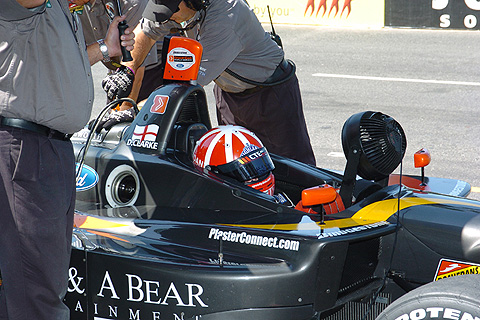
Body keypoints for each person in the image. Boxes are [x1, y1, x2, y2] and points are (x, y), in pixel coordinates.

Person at [0, 1, 134, 319]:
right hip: (25, 148)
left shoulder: (60, 8)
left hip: (49, 149)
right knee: (36, 289)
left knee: (38, 282)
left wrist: (105, 48)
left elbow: (54, 61)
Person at [102, 0, 317, 165]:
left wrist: (136, 111)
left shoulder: (225, 17)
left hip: (270, 96)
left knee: (291, 168)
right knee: (233, 166)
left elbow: (183, 86)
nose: (169, 18)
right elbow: (146, 33)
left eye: (172, 12)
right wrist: (127, 71)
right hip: (229, 90)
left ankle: (311, 218)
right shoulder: (175, 7)